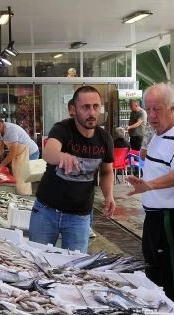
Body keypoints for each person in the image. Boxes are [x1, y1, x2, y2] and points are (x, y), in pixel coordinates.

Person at [126, 83, 174, 310]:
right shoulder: (158, 134)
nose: (153, 116)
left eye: (157, 109)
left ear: (172, 108)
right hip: (156, 217)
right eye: (149, 109)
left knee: (173, 282)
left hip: (171, 219)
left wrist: (149, 185)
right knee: (155, 277)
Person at [30, 86, 115, 253]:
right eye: (86, 107)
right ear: (72, 110)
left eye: (96, 106)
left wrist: (109, 195)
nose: (92, 112)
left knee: (75, 268)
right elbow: (48, 152)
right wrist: (62, 157)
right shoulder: (62, 129)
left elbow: (106, 171)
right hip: (46, 212)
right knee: (38, 260)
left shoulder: (105, 139)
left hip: (80, 217)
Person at [0, 117, 39, 195]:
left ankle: (27, 198)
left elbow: (13, 153)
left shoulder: (11, 130)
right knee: (18, 177)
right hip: (19, 154)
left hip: (31, 153)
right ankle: (21, 194)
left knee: (24, 178)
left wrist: (0, 166)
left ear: (0, 124)